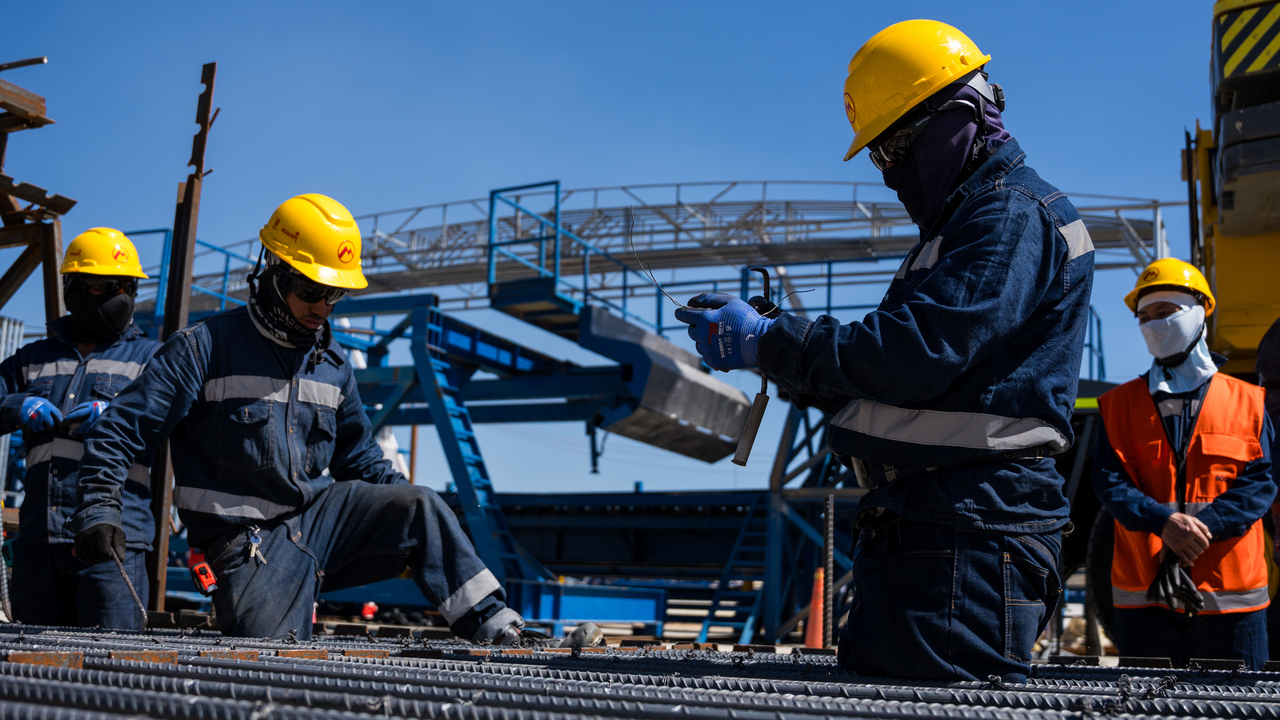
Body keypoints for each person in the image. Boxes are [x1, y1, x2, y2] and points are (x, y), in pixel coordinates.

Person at [675, 20, 1093, 682]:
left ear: (961, 115)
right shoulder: (962, 227)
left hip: (966, 538)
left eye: (897, 143)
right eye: (878, 154)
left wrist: (769, 341)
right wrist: (768, 342)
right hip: (933, 534)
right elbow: (885, 379)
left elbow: (917, 352)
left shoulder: (1009, 215)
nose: (891, 169)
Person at [70, 194, 543, 644]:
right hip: (245, 547)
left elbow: (360, 460)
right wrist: (99, 509)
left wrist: (428, 507)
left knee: (419, 505)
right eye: (311, 289)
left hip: (320, 523)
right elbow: (119, 431)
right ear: (274, 273)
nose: (322, 307)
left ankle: (498, 629)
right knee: (268, 668)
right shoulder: (202, 349)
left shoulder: (332, 363)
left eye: (334, 293)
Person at [1093, 258, 1274, 669]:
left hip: (1232, 606)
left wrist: (1203, 528)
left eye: (1166, 312)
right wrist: (1164, 522)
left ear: (1200, 311)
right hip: (1146, 604)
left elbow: (1261, 483)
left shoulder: (1247, 400)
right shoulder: (1118, 406)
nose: (1154, 323)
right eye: (1145, 316)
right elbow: (1109, 481)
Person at [0, 228, 158, 629]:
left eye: (128, 286)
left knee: (115, 672)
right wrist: (17, 406)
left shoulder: (152, 359)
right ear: (72, 288)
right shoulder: (32, 358)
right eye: (107, 285)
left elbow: (177, 425)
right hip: (40, 543)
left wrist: (120, 414)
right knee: (33, 669)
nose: (122, 296)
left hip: (110, 542)